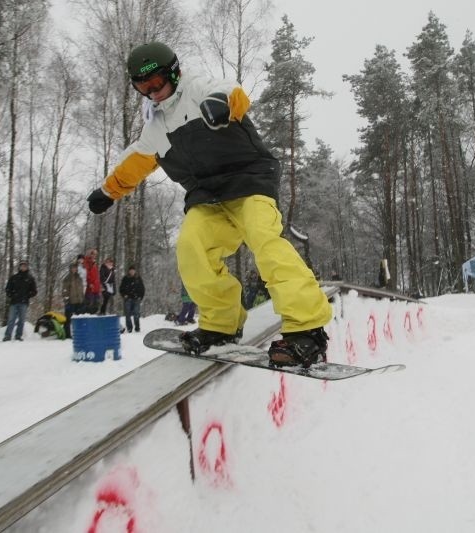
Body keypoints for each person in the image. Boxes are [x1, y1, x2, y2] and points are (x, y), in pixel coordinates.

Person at [87, 42, 332, 367]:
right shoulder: (156, 127)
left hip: (249, 181)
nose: (152, 93)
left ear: (174, 73)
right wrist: (108, 191)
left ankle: (307, 330)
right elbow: (133, 162)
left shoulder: (198, 89)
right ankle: (221, 325)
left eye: (156, 84)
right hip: (208, 197)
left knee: (264, 240)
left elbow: (232, 92)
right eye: (142, 88)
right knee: (191, 247)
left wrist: (220, 104)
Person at [3, 260, 37, 341]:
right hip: (14, 302)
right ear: (19, 267)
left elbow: (34, 291)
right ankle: (7, 336)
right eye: (22, 265)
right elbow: (8, 289)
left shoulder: (30, 278)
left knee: (21, 320)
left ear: (27, 267)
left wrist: (27, 296)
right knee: (11, 320)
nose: (23, 267)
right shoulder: (14, 277)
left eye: (25, 266)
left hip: (24, 303)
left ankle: (18, 336)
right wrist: (11, 295)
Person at [119, 266, 145, 333]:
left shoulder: (138, 278)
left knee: (136, 314)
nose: (132, 272)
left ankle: (137, 327)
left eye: (133, 270)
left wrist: (140, 297)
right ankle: (129, 328)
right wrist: (124, 295)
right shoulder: (125, 278)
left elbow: (142, 289)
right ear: (129, 271)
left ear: (135, 271)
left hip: (137, 299)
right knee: (127, 314)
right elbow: (121, 289)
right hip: (128, 299)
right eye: (131, 270)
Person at [61, 262, 84, 339]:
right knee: (67, 319)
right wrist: (66, 300)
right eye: (73, 268)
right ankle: (67, 334)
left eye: (75, 268)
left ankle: (79, 333)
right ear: (70, 269)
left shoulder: (79, 278)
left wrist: (82, 299)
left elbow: (81, 290)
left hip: (79, 301)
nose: (74, 269)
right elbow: (64, 290)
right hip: (70, 302)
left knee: (79, 319)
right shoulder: (67, 278)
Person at [82, 249, 101, 313]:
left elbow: (96, 276)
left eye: (95, 254)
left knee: (96, 305)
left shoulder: (94, 263)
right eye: (93, 254)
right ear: (90, 254)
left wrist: (99, 286)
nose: (94, 255)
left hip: (96, 288)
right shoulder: (87, 262)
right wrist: (89, 283)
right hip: (90, 288)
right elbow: (86, 274)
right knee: (89, 305)